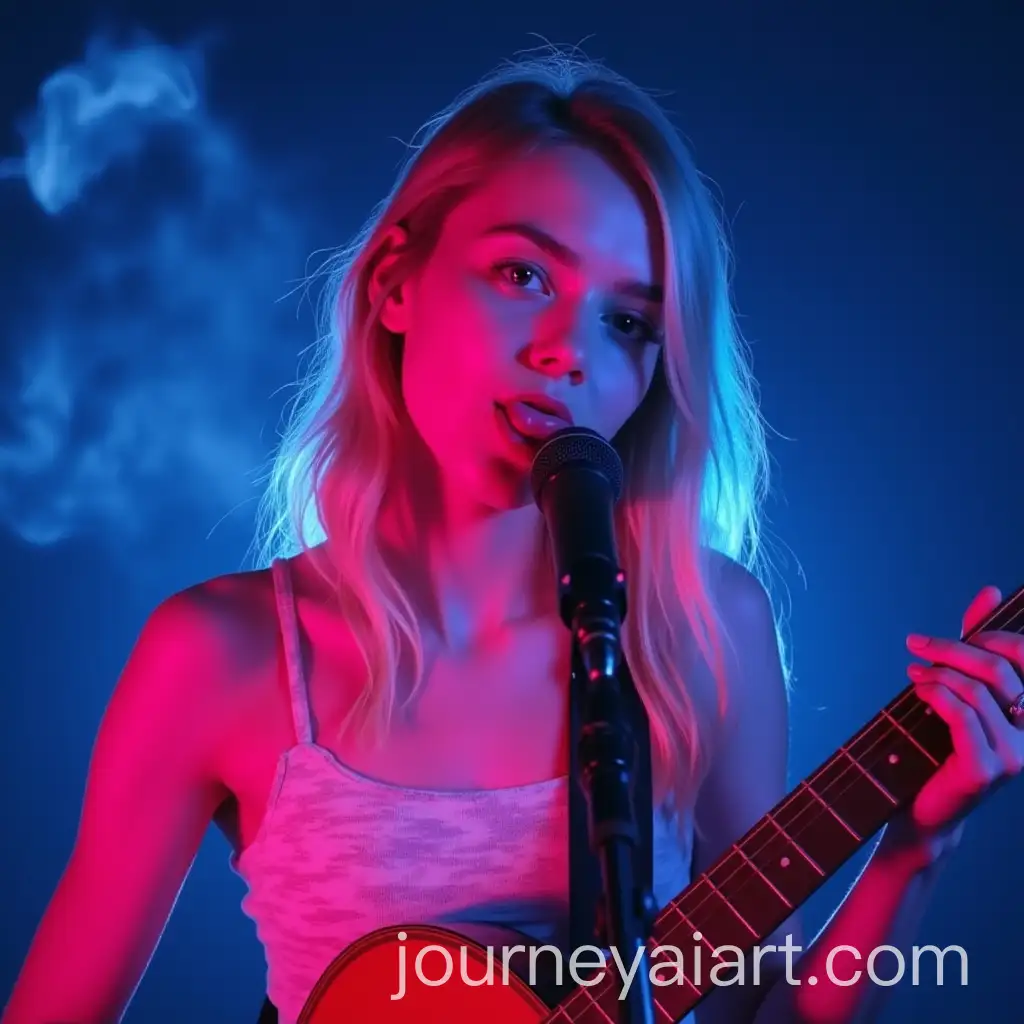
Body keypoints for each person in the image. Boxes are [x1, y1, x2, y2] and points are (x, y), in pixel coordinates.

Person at [4, 47, 1023, 1024]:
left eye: (626, 323)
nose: (565, 354)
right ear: (396, 281)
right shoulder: (220, 653)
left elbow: (765, 1014)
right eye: (522, 275)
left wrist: (912, 847)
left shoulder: (707, 627)